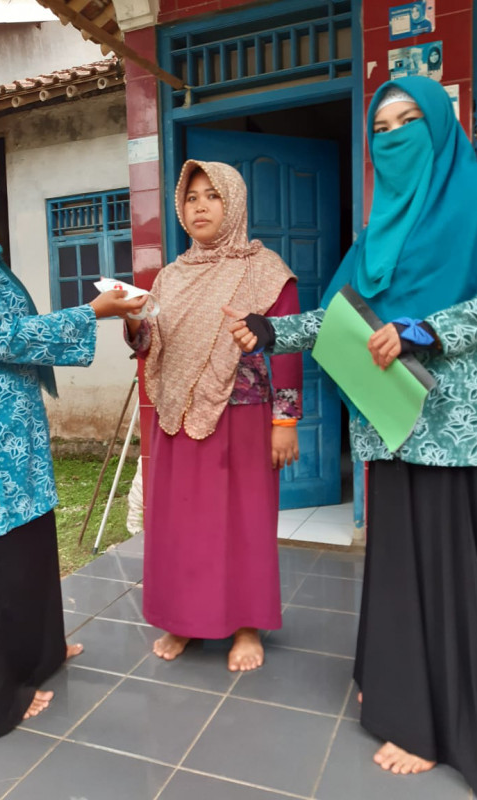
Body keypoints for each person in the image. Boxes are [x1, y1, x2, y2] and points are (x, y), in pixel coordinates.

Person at [226, 76, 477, 800]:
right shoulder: (378, 230)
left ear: (441, 126)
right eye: (381, 128)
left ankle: (443, 721)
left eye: (410, 120)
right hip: (390, 425)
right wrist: (273, 331)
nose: (395, 136)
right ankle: (396, 691)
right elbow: (342, 316)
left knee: (449, 569)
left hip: (457, 426)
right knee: (400, 564)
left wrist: (428, 328)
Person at [0, 115, 146, 743]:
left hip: (6, 425)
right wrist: (93, 312)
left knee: (27, 544)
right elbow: (4, 335)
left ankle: (38, 654)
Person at [125, 160, 303, 671]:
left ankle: (246, 626)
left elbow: (289, 347)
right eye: (191, 197)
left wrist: (285, 421)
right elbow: (149, 346)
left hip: (244, 417)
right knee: (181, 523)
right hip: (179, 418)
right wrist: (131, 320)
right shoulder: (170, 277)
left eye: (213, 196)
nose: (199, 206)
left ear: (235, 203)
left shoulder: (265, 269)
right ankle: (183, 618)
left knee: (242, 522)